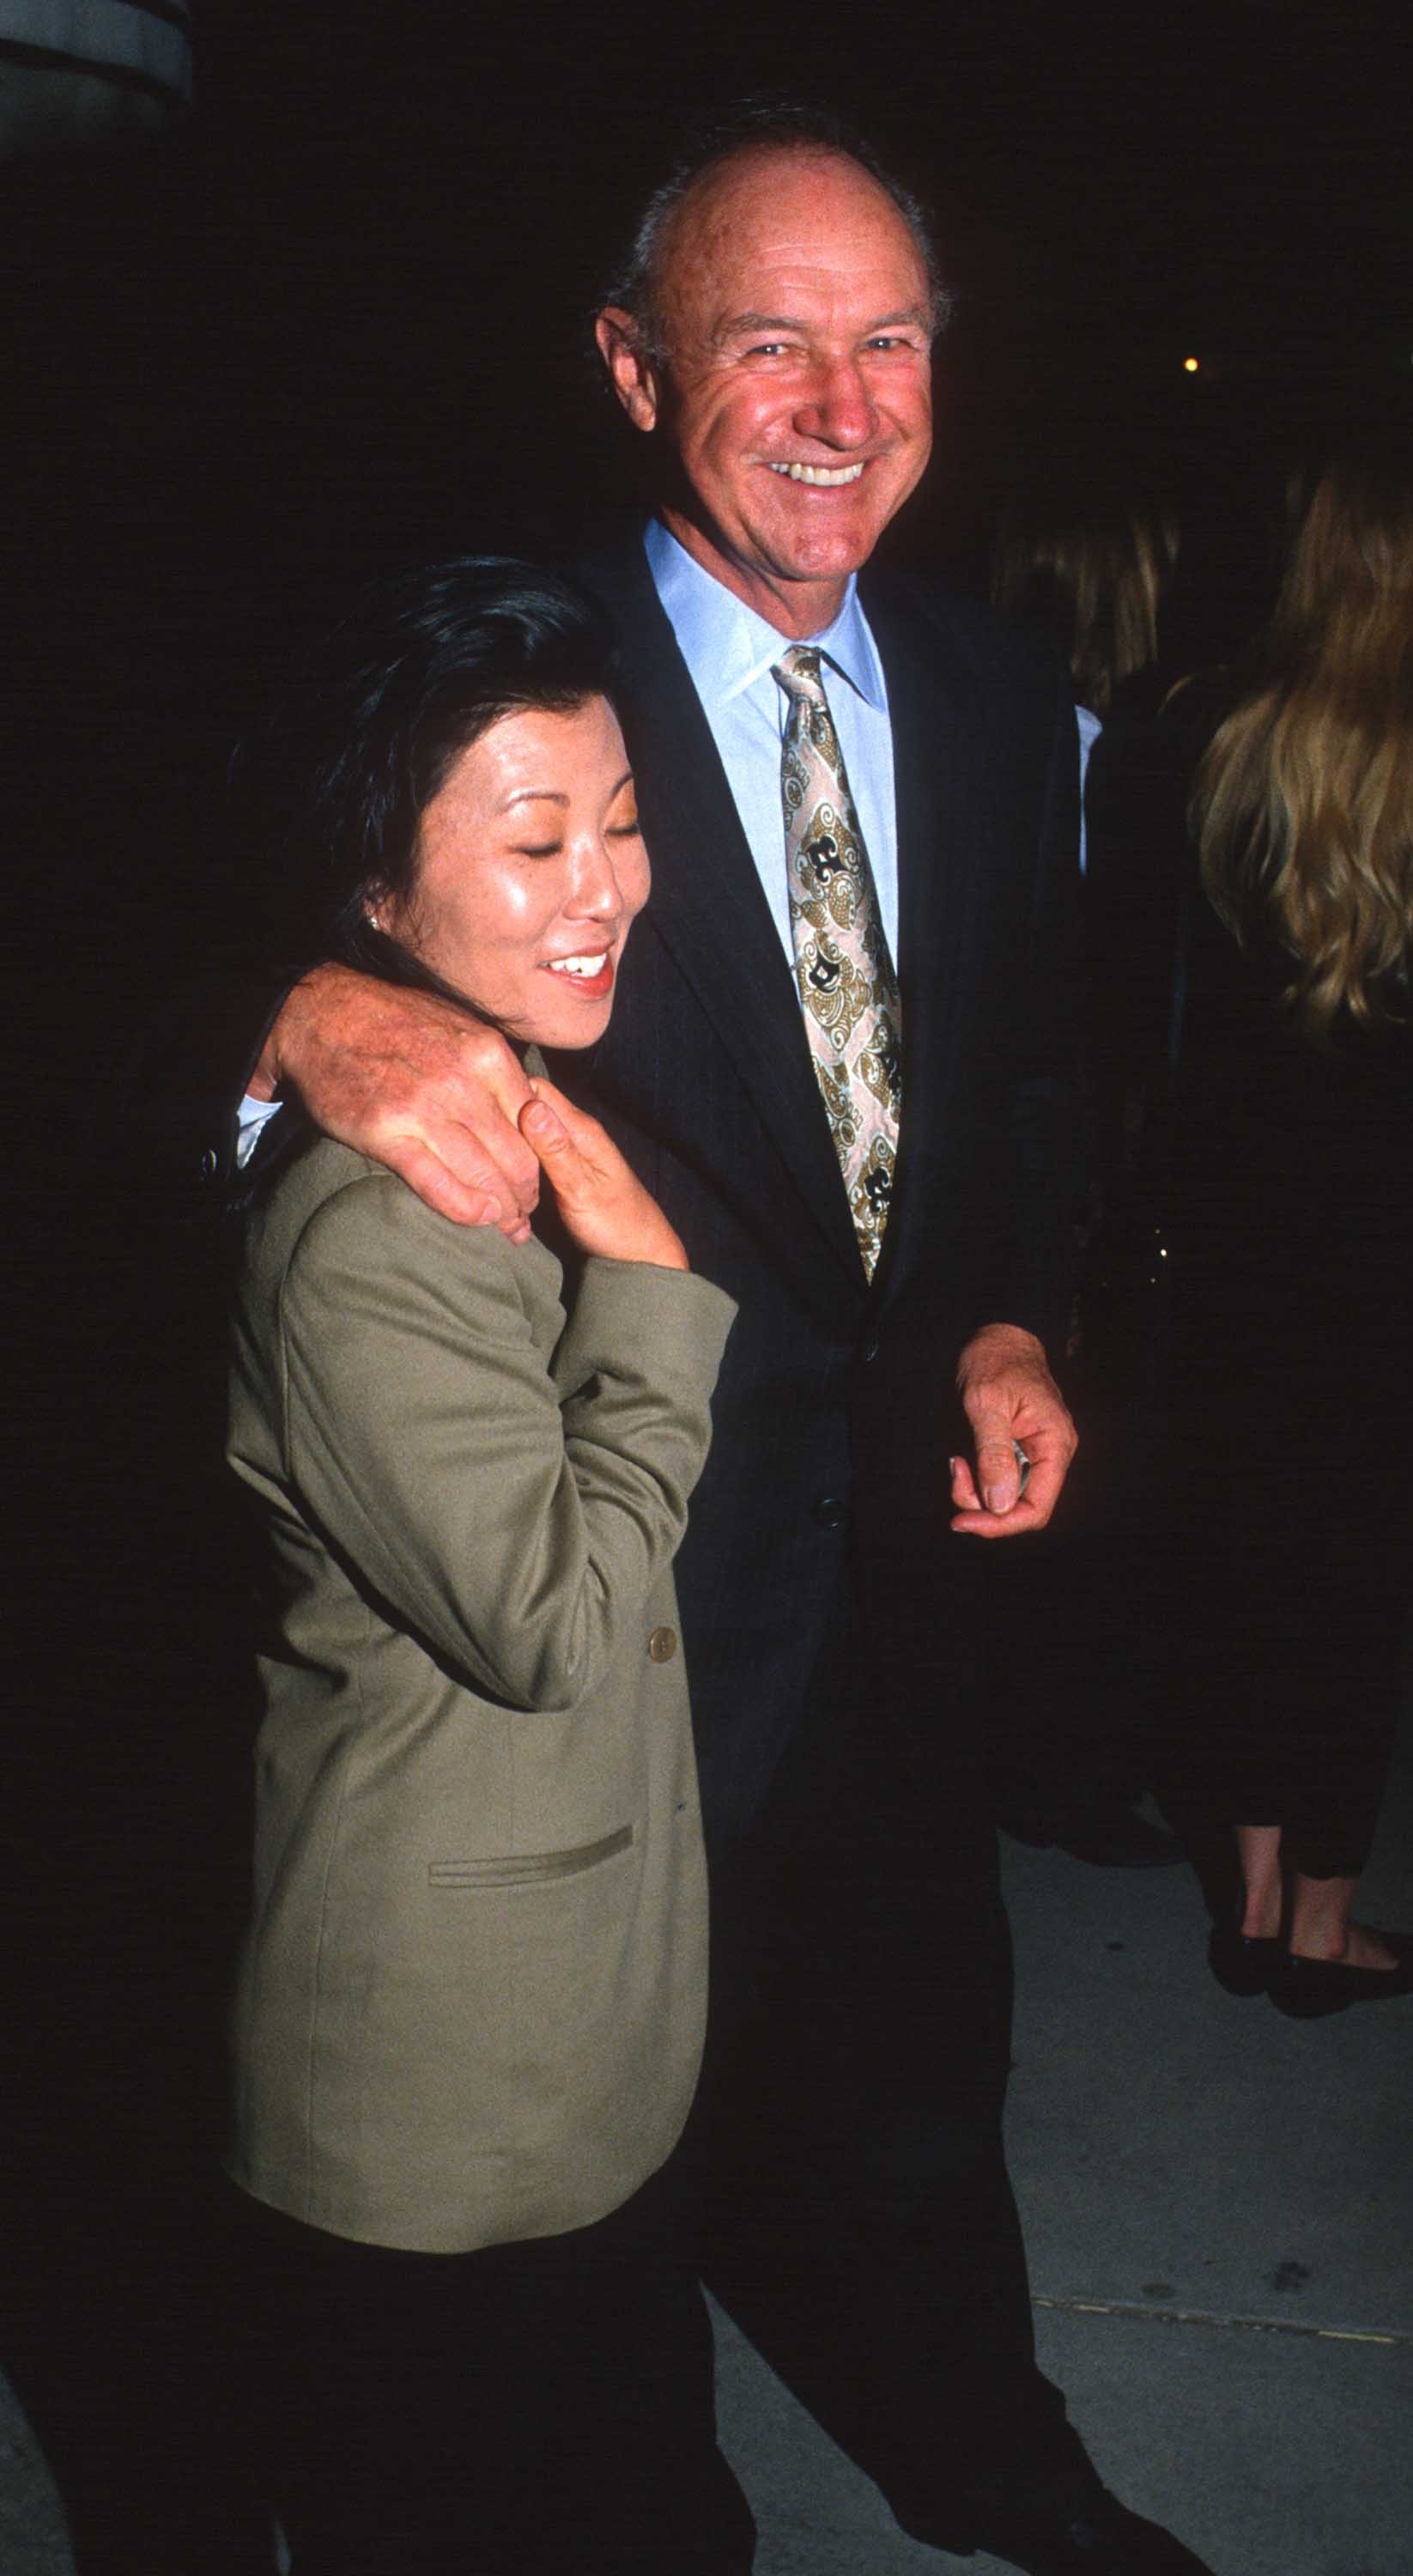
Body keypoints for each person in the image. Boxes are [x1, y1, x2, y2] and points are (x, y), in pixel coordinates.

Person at [222, 106, 1218, 2576]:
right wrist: (283, 1020)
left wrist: (1004, 1312)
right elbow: (115, 901)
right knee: (586, 2161)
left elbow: (1005, 1077)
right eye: (764, 338)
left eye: (885, 341)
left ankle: (988, 2455)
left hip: (887, 1569)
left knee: (908, 2067)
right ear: (628, 362)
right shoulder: (492, 650)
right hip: (593, 1575)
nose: (836, 399)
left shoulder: (992, 687)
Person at [221, 556, 742, 2573]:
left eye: (618, 822)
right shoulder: (378, 1222)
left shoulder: (516, 1099)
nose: (602, 883)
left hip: (562, 2019)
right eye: (533, 840)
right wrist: (654, 1297)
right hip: (438, 2078)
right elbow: (556, 1622)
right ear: (375, 892)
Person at [1154, 447, 1413, 2016]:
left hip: (1234, 1232)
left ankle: (1252, 1897)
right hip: (1384, 1249)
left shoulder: (1201, 735)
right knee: (1355, 1579)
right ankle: (1320, 1923)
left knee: (1241, 1560)